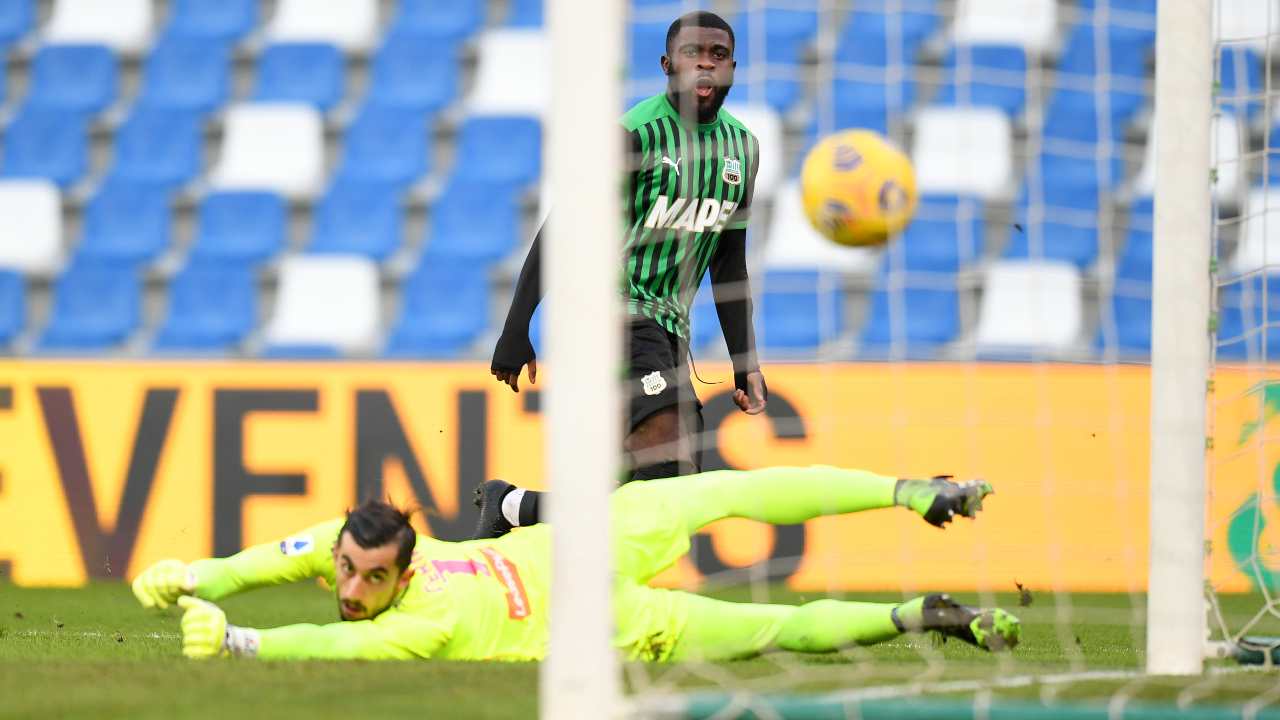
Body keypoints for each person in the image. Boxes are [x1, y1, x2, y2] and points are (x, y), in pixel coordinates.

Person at [131, 468, 1020, 661]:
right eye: (348, 573)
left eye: (372, 579)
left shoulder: (421, 624)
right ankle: (916, 610)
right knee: (768, 617)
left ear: (404, 573)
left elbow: (339, 654)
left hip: (589, 590)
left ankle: (911, 493)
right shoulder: (375, 550)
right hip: (585, 572)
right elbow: (270, 560)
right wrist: (198, 575)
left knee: (735, 508)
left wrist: (243, 642)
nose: (354, 591)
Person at [490, 11, 766, 529]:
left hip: (668, 329)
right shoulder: (637, 135)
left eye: (718, 55)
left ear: (732, 68)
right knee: (668, 451)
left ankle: (513, 508)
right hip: (609, 314)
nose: (705, 64)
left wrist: (744, 362)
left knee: (665, 488)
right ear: (667, 64)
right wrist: (515, 328)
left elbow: (730, 261)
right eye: (692, 53)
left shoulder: (742, 150)